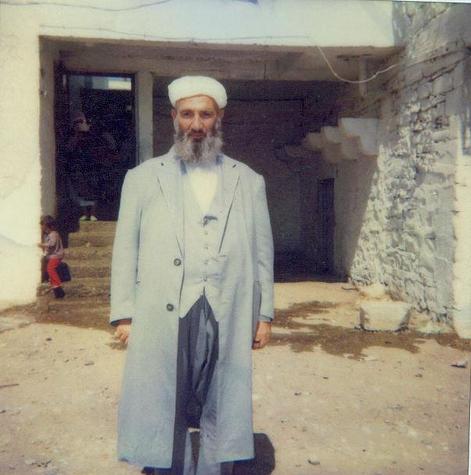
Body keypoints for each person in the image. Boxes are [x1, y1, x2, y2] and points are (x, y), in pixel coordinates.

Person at [110, 75, 274, 475]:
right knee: (166, 395)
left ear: (219, 118)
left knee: (223, 394)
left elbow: (262, 253)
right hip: (164, 306)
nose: (196, 124)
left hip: (227, 304)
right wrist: (124, 314)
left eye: (205, 114)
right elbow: (125, 249)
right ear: (174, 117)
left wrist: (264, 314)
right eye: (187, 114)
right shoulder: (142, 178)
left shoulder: (248, 180)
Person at [65, 111, 100, 221]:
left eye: (81, 121)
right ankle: (85, 213)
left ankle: (93, 213)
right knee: (80, 190)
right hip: (78, 167)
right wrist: (77, 135)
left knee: (92, 189)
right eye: (77, 122)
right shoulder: (72, 137)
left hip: (91, 166)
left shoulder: (91, 135)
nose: (79, 124)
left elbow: (96, 149)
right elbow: (69, 149)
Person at [38, 215, 65, 299]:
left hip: (56, 256)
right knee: (50, 270)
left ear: (47, 226)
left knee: (50, 269)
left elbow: (52, 244)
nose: (41, 227)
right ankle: (56, 287)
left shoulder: (53, 234)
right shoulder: (49, 234)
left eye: (42, 225)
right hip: (52, 256)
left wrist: (41, 245)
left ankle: (58, 285)